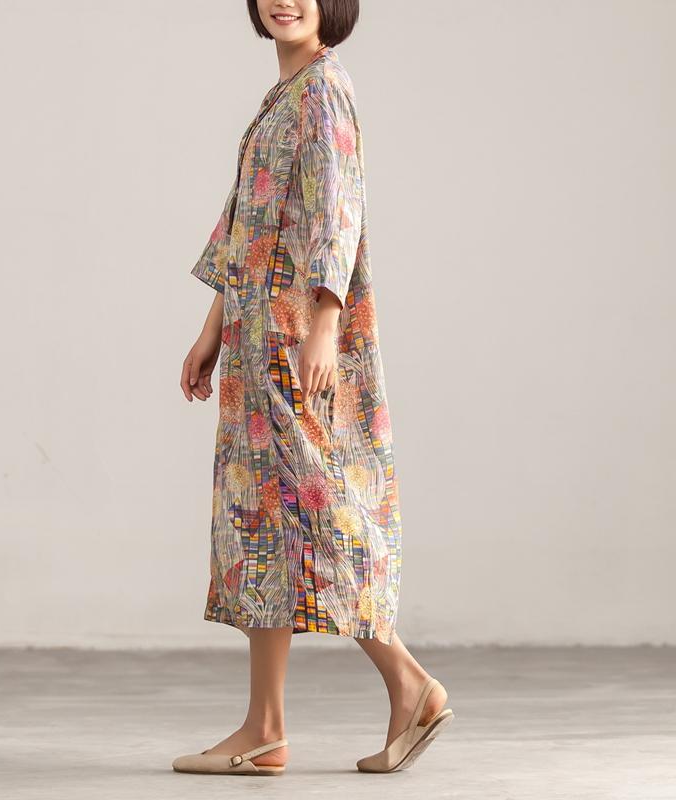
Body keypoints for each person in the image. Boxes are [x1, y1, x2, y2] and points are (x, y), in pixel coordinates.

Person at [175, 0, 454, 775]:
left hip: (295, 341)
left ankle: (410, 683)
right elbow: (248, 224)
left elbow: (340, 211)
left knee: (322, 512)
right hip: (256, 341)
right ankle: (264, 728)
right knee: (260, 526)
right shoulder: (285, 95)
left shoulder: (325, 88)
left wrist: (325, 323)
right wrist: (213, 328)